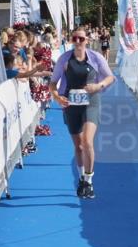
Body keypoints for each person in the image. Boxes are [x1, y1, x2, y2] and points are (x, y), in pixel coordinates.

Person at [49, 28, 116, 200]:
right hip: (71, 104)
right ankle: (81, 178)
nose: (78, 41)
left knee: (87, 141)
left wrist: (97, 86)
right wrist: (56, 96)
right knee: (78, 146)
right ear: (71, 40)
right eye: (75, 38)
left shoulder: (95, 57)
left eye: (81, 39)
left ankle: (89, 181)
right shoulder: (64, 59)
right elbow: (53, 82)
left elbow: (110, 77)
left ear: (87, 40)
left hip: (91, 102)